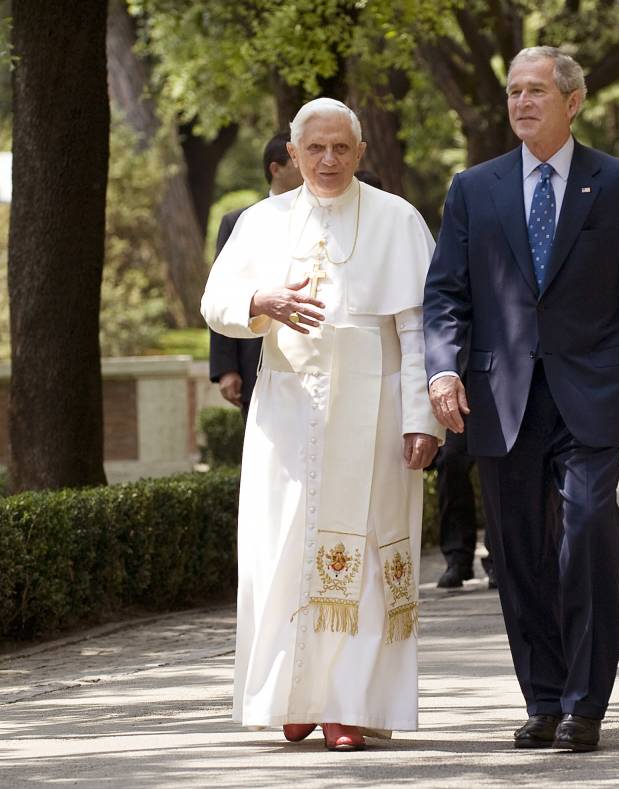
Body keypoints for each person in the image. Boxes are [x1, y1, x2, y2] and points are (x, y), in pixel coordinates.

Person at [423, 46, 619, 753]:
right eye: (513, 91)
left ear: (574, 101)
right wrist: (441, 371)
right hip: (499, 398)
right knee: (515, 554)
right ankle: (542, 698)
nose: (521, 102)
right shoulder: (473, 188)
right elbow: (446, 291)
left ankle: (585, 701)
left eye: (536, 90)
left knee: (588, 535)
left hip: (590, 394)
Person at [200, 98, 442, 750]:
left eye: (341, 148)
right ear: (295, 153)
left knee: (364, 556)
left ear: (359, 152)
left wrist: (423, 418)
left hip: (378, 410)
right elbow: (216, 302)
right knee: (280, 551)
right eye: (316, 149)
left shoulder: (397, 219)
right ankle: (290, 696)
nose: (329, 160)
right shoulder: (261, 219)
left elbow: (420, 328)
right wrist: (262, 299)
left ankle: (348, 703)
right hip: (286, 411)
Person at [208, 132, 303, 419]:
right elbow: (222, 292)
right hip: (255, 358)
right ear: (276, 168)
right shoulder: (240, 221)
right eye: (298, 160)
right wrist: (226, 369)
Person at [434, 426, 495, 589]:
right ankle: (457, 560)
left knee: (497, 463)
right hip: (461, 406)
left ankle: (499, 560)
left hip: (497, 406)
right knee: (449, 459)